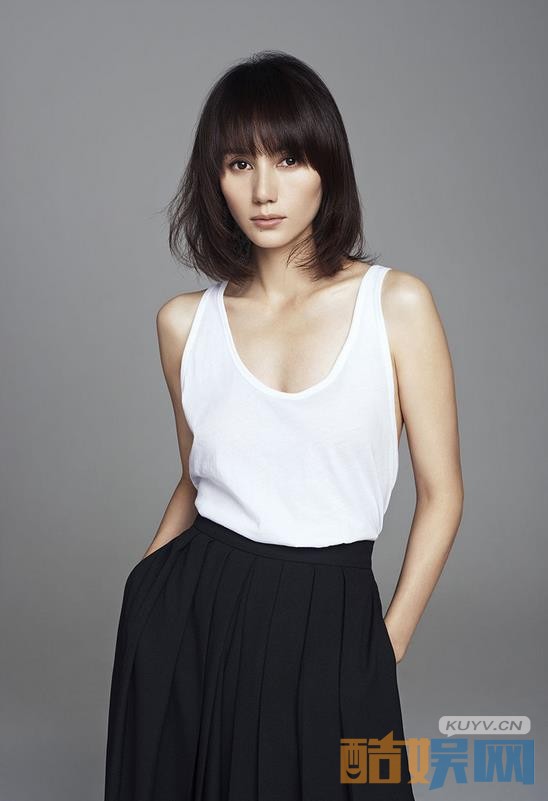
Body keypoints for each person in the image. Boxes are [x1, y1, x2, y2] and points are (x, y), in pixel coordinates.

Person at [103, 50, 463, 801]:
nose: (264, 190)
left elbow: (443, 494)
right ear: (215, 179)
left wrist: (386, 640)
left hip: (333, 611)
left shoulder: (396, 305)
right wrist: (145, 589)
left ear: (326, 168)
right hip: (201, 610)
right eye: (240, 163)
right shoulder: (184, 323)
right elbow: (196, 476)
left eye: (289, 159)